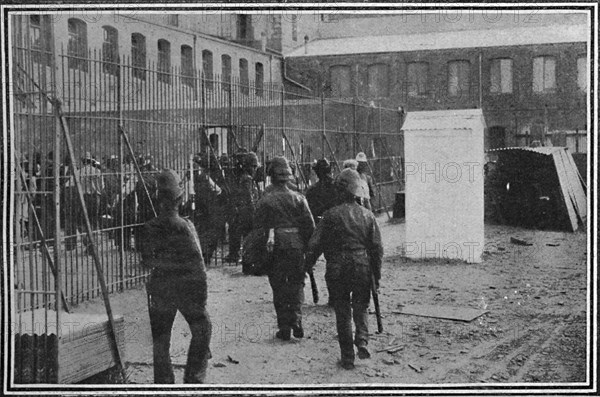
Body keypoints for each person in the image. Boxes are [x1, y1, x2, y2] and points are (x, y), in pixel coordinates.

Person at [137, 169, 212, 384]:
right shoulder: (185, 227)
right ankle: (194, 379)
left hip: (160, 286)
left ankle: (163, 383)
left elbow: (147, 261)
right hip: (188, 287)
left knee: (161, 339)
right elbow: (199, 266)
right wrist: (202, 301)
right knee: (203, 328)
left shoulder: (149, 228)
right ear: (180, 199)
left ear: (157, 199)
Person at [306, 168, 383, 370]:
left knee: (342, 311)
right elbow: (377, 248)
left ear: (339, 191)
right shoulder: (368, 216)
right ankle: (363, 340)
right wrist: (376, 273)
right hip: (361, 265)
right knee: (361, 305)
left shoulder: (329, 216)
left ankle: (347, 357)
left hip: (337, 268)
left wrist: (309, 263)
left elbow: (315, 244)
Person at [254, 156, 315, 340]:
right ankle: (296, 320)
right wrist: (306, 249)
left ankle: (284, 327)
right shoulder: (299, 198)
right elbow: (310, 227)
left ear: (271, 176)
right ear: (288, 176)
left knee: (279, 285)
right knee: (297, 284)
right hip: (296, 246)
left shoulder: (266, 199)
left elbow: (258, 227)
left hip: (275, 246)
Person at [226, 151, 260, 264]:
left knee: (242, 235)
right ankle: (244, 257)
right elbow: (248, 197)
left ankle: (239, 256)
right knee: (247, 235)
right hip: (246, 212)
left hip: (243, 211)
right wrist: (254, 211)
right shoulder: (247, 179)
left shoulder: (246, 177)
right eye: (253, 167)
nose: (255, 169)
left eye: (255, 167)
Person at [191, 153, 223, 265]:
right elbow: (217, 190)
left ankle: (204, 255)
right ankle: (205, 255)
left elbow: (217, 189)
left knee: (204, 231)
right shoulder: (202, 175)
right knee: (207, 231)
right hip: (207, 206)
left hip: (203, 206)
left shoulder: (197, 175)